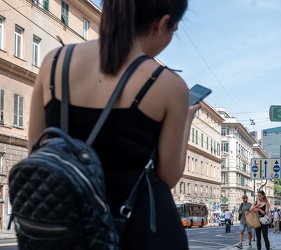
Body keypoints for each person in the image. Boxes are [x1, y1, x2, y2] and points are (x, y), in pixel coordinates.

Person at [28, 1, 196, 249]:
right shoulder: (169, 85)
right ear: (162, 24)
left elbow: (35, 149)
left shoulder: (54, 63)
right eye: (174, 29)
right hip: (140, 231)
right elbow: (167, 177)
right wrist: (187, 121)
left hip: (67, 228)